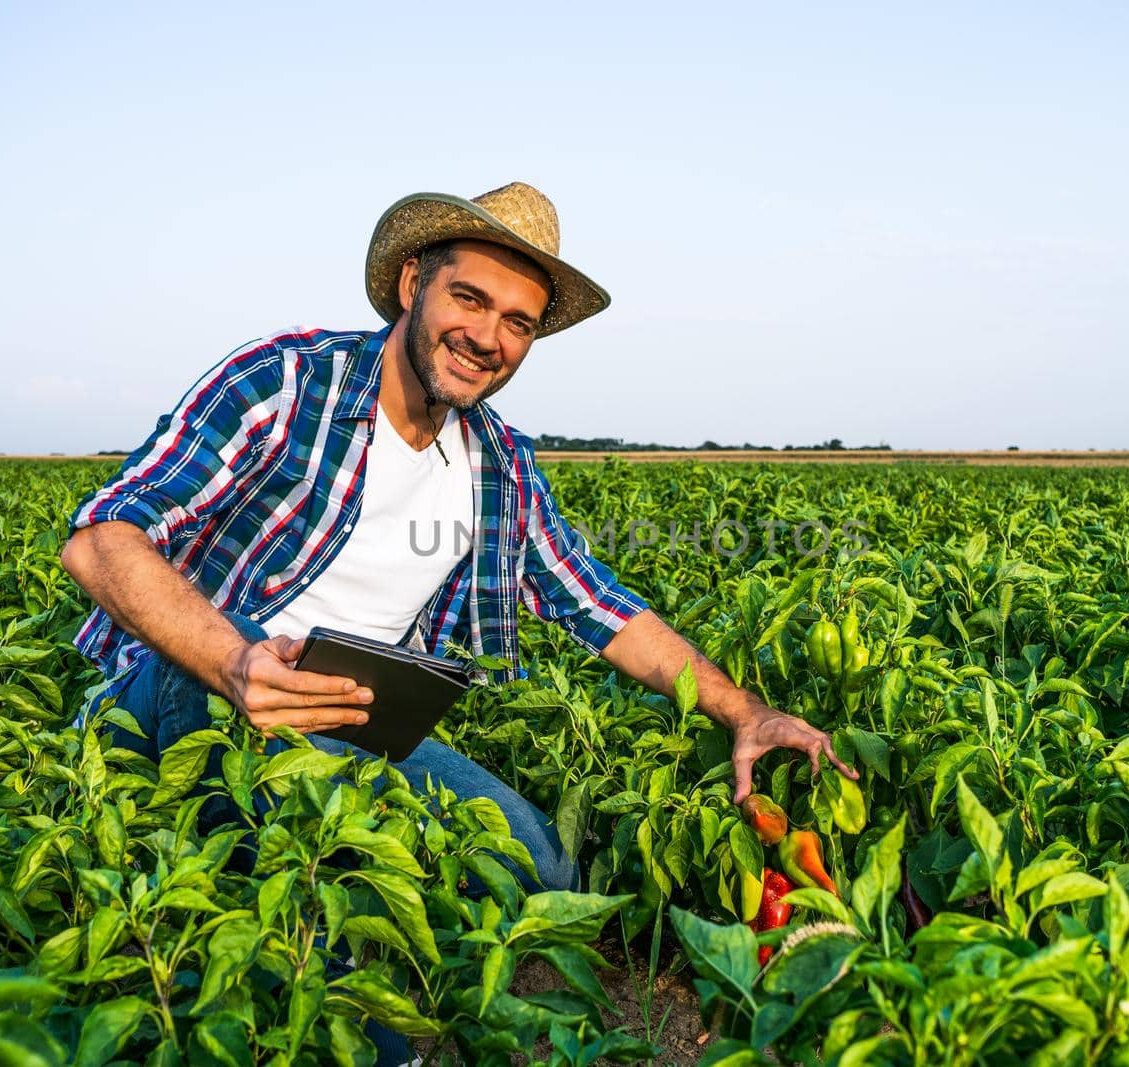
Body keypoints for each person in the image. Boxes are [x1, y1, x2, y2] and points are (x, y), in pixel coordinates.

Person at [61, 181, 858, 893]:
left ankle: (334, 864)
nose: (488, 337)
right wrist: (233, 661)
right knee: (249, 728)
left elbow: (597, 603)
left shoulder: (498, 465)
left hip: (354, 726)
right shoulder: (288, 380)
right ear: (413, 283)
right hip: (194, 690)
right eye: (469, 299)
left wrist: (740, 709)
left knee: (541, 865)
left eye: (518, 322)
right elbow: (101, 537)